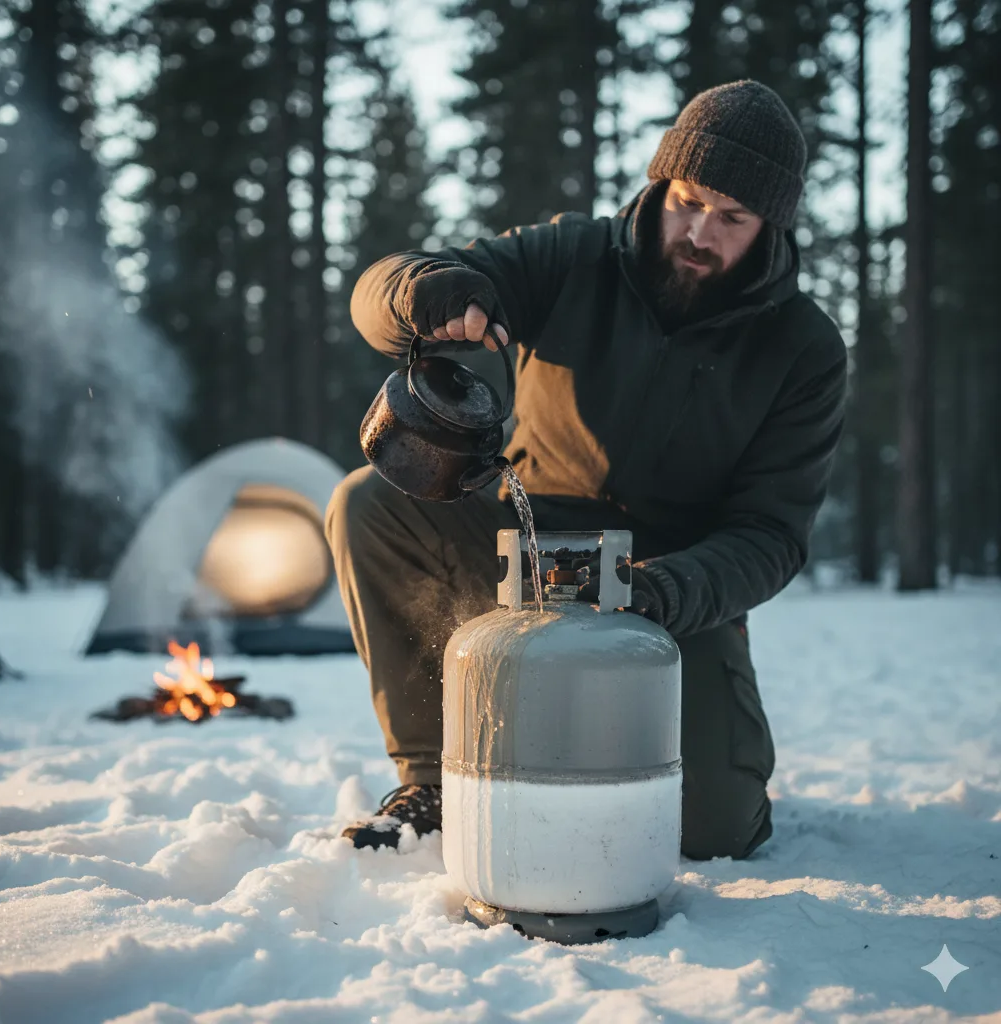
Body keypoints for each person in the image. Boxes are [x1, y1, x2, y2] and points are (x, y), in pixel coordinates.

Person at [326, 80, 847, 858]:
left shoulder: (803, 349)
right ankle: (435, 774)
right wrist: (421, 292)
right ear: (661, 180)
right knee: (371, 501)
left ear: (769, 225)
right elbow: (380, 292)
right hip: (520, 546)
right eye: (688, 200)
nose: (700, 232)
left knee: (713, 831)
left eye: (732, 218)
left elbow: (771, 535)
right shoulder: (575, 255)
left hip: (666, 588)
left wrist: (667, 591)